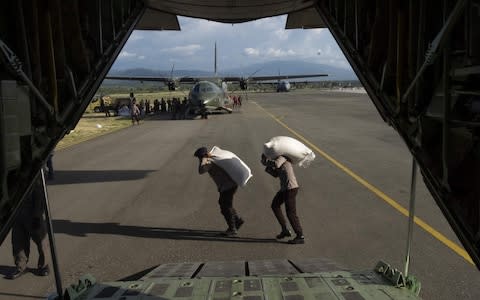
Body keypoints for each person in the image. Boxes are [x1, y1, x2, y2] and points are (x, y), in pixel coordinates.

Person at [194, 147, 244, 236]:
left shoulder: (209, 162)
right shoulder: (214, 158)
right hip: (230, 184)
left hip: (227, 186)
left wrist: (202, 160)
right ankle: (237, 221)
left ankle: (233, 228)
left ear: (201, 156)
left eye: (199, 157)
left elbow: (201, 171)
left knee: (225, 206)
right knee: (224, 204)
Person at [7, 177, 49, 279]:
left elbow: (39, 195)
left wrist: (37, 215)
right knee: (18, 241)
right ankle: (21, 267)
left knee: (41, 241)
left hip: (32, 211)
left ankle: (44, 266)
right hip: (17, 211)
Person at [261, 154, 304, 244]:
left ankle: (300, 236)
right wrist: (267, 166)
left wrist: (266, 162)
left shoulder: (283, 157)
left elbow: (276, 164)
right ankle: (285, 230)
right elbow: (275, 174)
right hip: (285, 189)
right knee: (275, 205)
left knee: (291, 213)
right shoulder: (278, 160)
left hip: (291, 189)